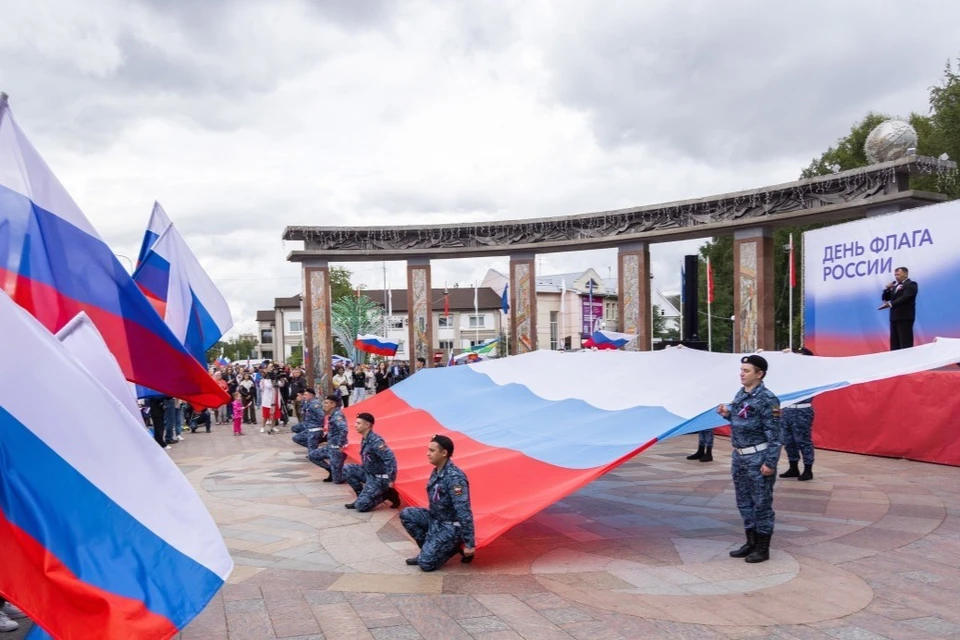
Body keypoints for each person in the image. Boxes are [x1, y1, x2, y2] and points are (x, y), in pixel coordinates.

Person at [716, 354, 781, 563]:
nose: (741, 374)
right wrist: (727, 413)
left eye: (747, 371)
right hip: (740, 457)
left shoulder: (768, 399)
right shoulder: (742, 394)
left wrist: (770, 462)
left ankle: (763, 547)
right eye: (741, 370)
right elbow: (742, 417)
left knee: (761, 503)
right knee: (743, 502)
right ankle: (750, 541)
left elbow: (775, 434)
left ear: (759, 374)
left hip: (758, 457)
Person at [399, 435, 476, 571]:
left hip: (450, 526)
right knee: (407, 514)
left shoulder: (455, 477)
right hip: (436, 519)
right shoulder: (437, 471)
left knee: (426, 564)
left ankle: (450, 548)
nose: (427, 453)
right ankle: (428, 551)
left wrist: (470, 543)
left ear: (444, 453)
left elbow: (463, 510)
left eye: (432, 450)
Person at [342, 412, 402, 511]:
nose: (355, 425)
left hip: (378, 478)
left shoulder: (376, 441)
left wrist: (391, 479)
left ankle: (387, 494)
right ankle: (361, 497)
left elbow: (390, 459)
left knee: (361, 507)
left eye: (358, 423)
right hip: (368, 472)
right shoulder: (365, 438)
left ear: (367, 425)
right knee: (346, 469)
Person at [780, 347, 815, 481]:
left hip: (802, 410)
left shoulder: (810, 373)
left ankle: (808, 469)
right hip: (788, 409)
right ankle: (793, 467)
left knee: (803, 441)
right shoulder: (791, 374)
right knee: (788, 441)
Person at [308, 394, 348, 483]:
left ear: (333, 405)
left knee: (337, 481)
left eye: (326, 403)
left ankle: (348, 473)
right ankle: (331, 470)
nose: (324, 405)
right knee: (312, 455)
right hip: (330, 447)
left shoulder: (337, 416)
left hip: (336, 450)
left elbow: (344, 429)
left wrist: (340, 444)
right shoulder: (332, 415)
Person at [880, 266, 918, 350]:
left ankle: (907, 361)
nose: (896, 276)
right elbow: (885, 298)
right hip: (894, 317)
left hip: (905, 317)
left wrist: (890, 304)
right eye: (895, 275)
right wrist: (887, 289)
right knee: (894, 344)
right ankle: (896, 361)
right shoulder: (895, 286)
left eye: (898, 274)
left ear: (905, 274)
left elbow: (905, 297)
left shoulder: (911, 284)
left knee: (905, 344)